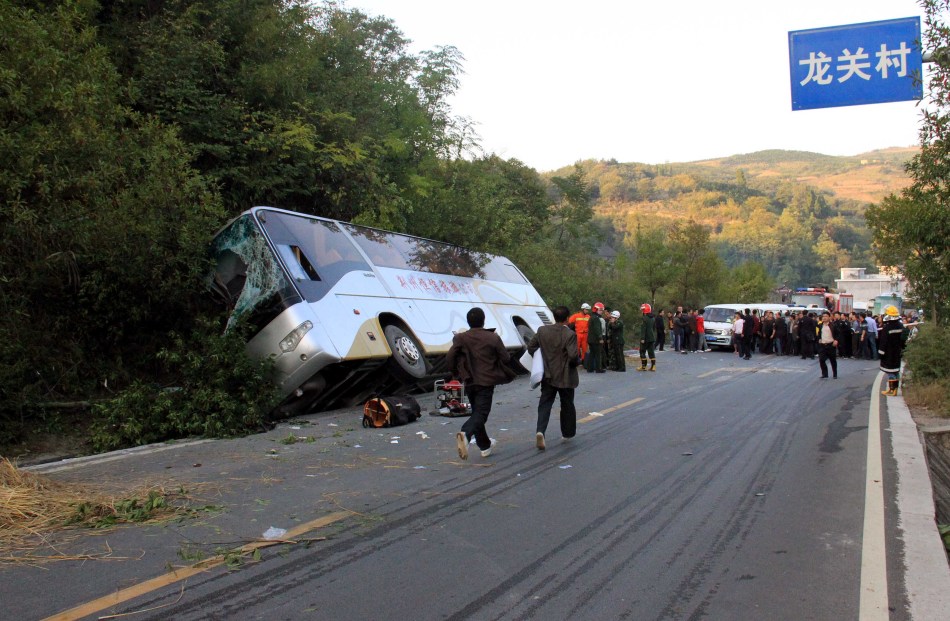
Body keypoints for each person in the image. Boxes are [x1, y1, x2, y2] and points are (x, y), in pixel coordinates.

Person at [446, 307, 516, 460]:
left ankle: (484, 446)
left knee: (477, 412)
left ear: (468, 321)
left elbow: (450, 356)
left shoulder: (460, 338)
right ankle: (465, 433)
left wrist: (456, 373)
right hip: (486, 380)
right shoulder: (492, 338)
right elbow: (505, 358)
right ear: (483, 320)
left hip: (469, 381)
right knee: (481, 414)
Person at [527, 305, 580, 450]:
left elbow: (531, 347)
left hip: (548, 375)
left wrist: (540, 359)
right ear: (567, 319)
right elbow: (573, 356)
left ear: (553, 317)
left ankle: (540, 431)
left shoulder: (542, 331)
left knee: (545, 404)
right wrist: (577, 363)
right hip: (566, 376)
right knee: (567, 404)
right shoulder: (570, 334)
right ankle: (567, 433)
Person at [878, 305, 912, 396]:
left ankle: (892, 390)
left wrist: (881, 353)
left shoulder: (887, 328)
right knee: (896, 371)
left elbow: (883, 342)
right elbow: (904, 339)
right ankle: (895, 389)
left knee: (890, 372)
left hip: (889, 353)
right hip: (897, 352)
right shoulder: (901, 326)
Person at [585, 302, 606, 373]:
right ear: (596, 310)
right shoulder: (596, 318)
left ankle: (589, 368)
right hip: (596, 340)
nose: (601, 312)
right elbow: (597, 329)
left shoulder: (591, 317)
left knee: (592, 354)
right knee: (598, 354)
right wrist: (600, 338)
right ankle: (598, 368)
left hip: (590, 339)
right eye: (600, 310)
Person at [817, 312, 838, 379]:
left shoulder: (833, 325)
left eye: (826, 316)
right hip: (823, 345)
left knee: (833, 360)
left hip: (831, 345)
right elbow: (819, 333)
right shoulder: (820, 325)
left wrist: (836, 340)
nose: (824, 317)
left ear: (829, 317)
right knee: (821, 360)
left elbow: (838, 334)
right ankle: (825, 374)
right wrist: (819, 339)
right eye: (823, 316)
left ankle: (835, 374)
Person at [637, 303, 657, 371]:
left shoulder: (644, 318)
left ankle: (643, 366)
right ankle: (653, 366)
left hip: (645, 338)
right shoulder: (653, 318)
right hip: (652, 337)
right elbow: (654, 328)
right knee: (651, 352)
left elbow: (643, 329)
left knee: (642, 351)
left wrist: (642, 338)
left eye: (642, 310)